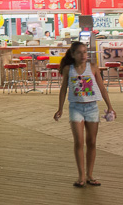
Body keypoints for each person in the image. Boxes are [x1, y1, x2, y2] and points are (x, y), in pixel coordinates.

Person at [53, 41, 116, 187]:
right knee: (79, 142)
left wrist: (110, 106)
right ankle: (81, 176)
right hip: (76, 108)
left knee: (92, 142)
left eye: (85, 52)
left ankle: (90, 175)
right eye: (79, 52)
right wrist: (60, 108)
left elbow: (101, 87)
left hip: (92, 108)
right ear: (73, 54)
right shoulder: (69, 69)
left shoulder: (93, 67)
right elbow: (63, 89)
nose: (83, 55)